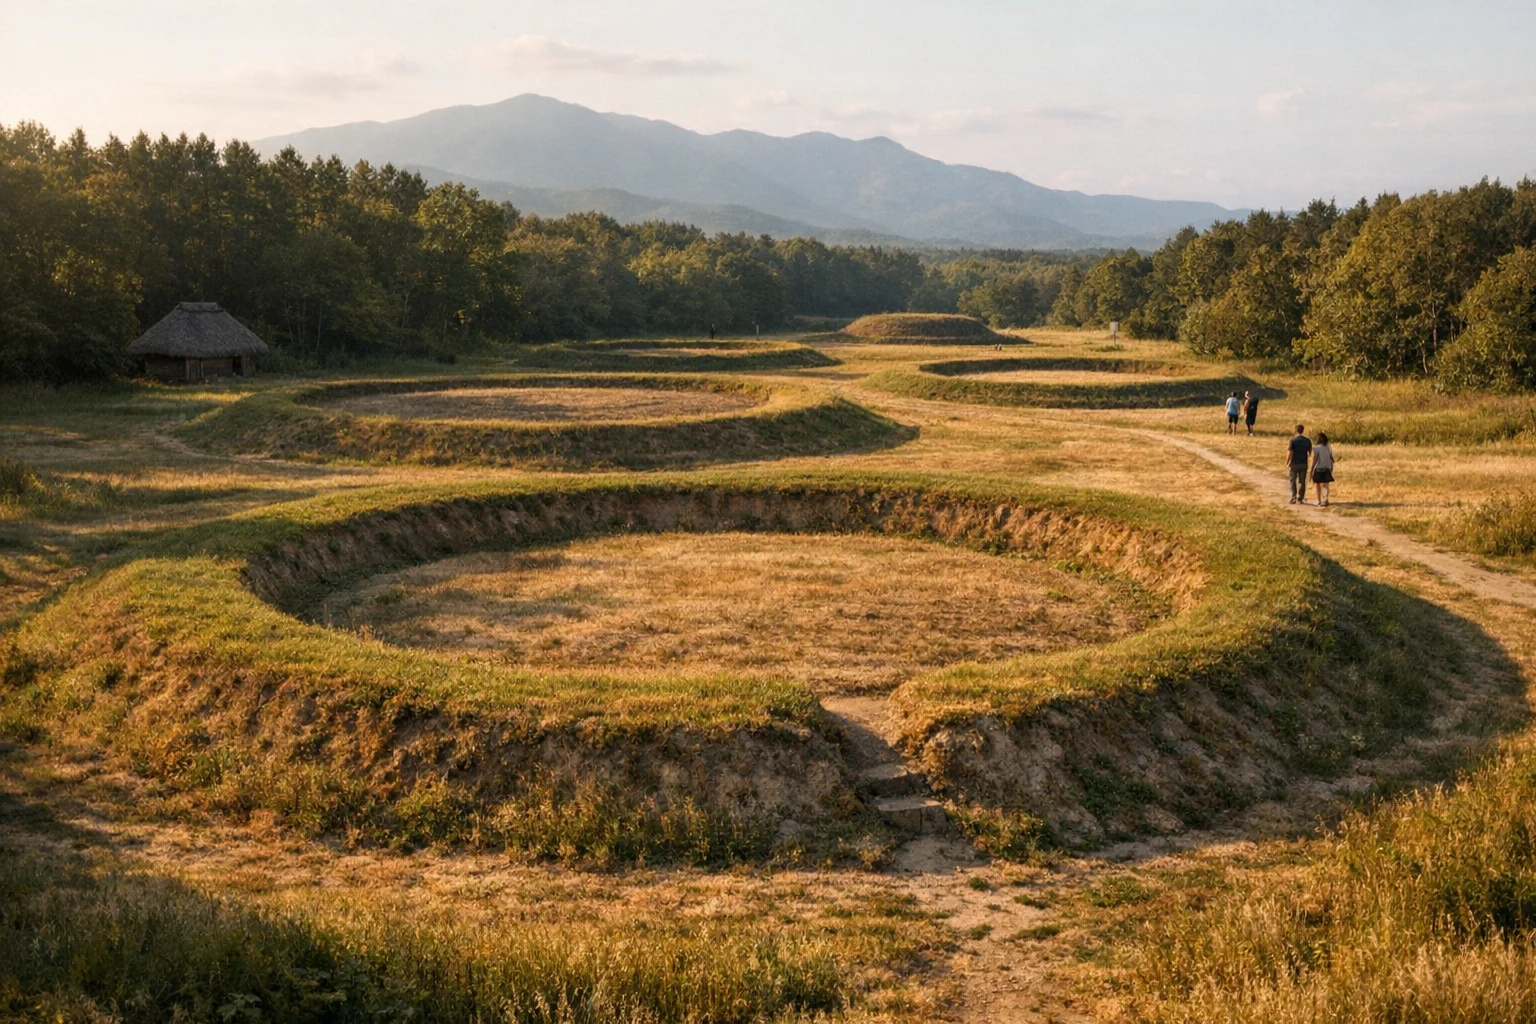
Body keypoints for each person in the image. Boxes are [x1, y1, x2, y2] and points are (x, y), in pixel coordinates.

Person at [1287, 423, 1312, 504]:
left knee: (1293, 480)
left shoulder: (1293, 440)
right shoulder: (1307, 440)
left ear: (1296, 430)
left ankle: (1293, 496)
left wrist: (1287, 462)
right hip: (1303, 463)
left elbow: (1290, 452)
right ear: (1302, 430)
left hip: (1294, 463)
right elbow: (1310, 452)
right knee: (1302, 481)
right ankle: (1300, 497)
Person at [1311, 432, 1335, 506]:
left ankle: (1319, 501)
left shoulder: (1316, 448)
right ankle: (1326, 499)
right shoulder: (1328, 446)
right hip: (1327, 467)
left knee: (1317, 484)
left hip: (1319, 468)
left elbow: (1315, 459)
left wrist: (1312, 469)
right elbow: (1331, 456)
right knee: (1326, 484)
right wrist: (1333, 461)